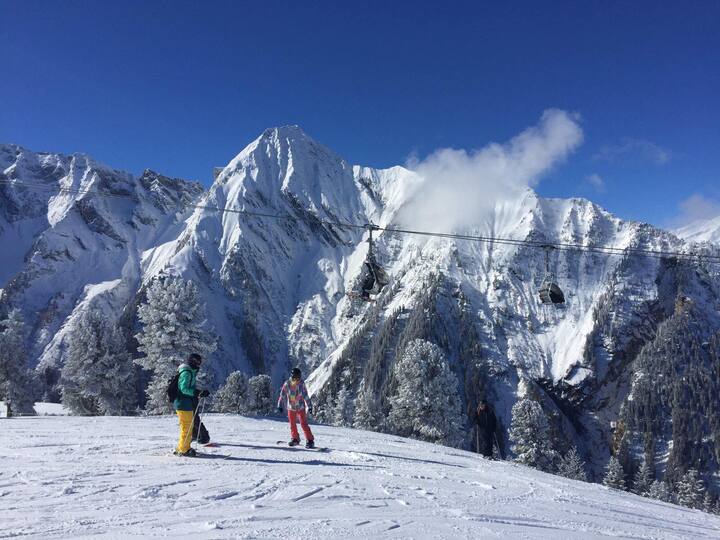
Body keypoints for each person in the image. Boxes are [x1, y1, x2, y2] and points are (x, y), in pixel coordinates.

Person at [173, 353, 209, 457]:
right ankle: (184, 450)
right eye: (198, 362)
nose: (199, 364)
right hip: (182, 403)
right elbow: (184, 389)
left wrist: (198, 393)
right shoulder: (187, 373)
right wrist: (197, 393)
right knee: (187, 427)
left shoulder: (190, 372)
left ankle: (184, 447)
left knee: (189, 426)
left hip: (186, 403)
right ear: (193, 361)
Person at [277, 367, 315, 448]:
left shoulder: (301, 384)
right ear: (292, 377)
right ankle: (295, 439)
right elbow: (282, 394)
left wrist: (310, 406)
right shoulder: (287, 384)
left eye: (298, 378)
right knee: (292, 424)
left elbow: (305, 395)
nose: (297, 380)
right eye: (295, 378)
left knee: (304, 424)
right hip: (291, 408)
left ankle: (310, 440)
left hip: (300, 407)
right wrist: (279, 404)